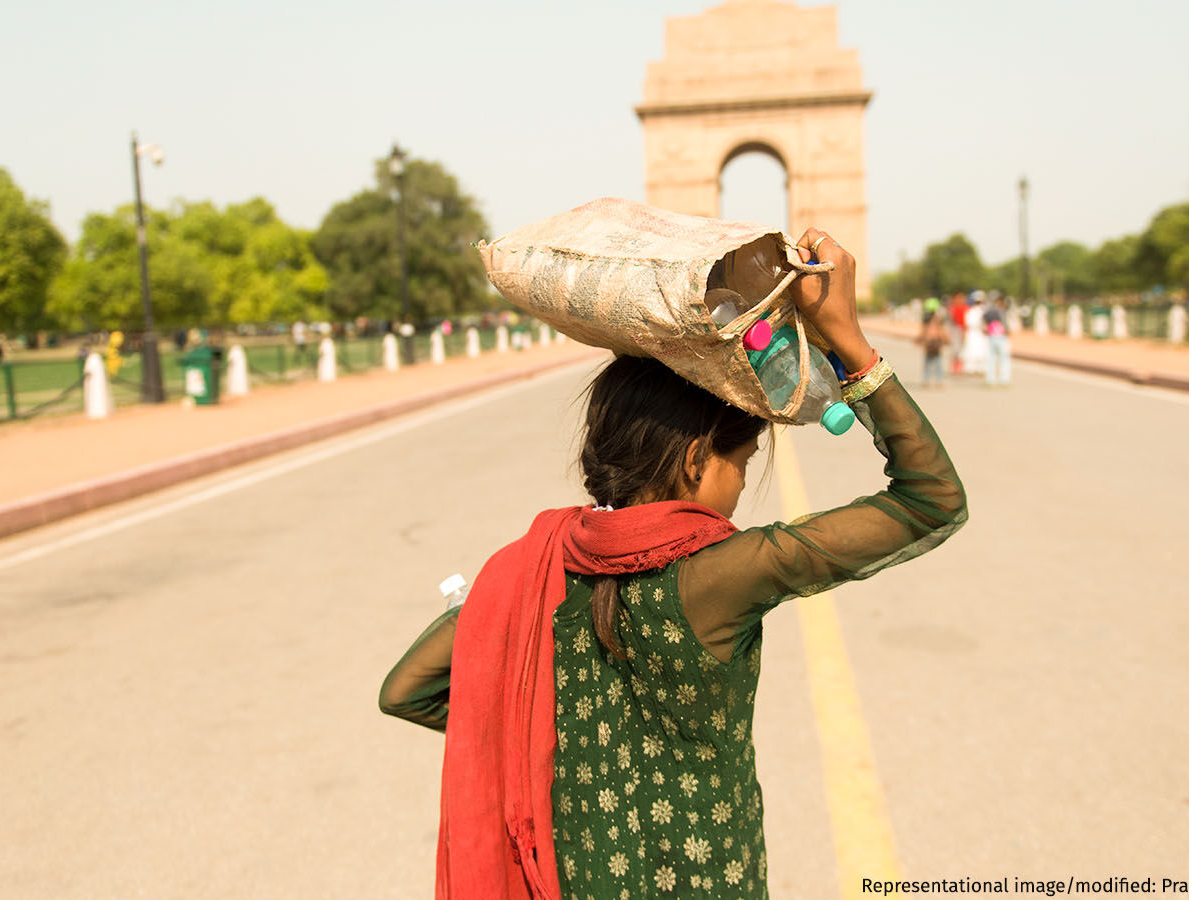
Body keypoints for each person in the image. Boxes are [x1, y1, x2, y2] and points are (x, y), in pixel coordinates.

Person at [378, 228, 967, 900]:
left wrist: (543, 731)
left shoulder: (527, 572)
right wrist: (850, 341)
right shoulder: (728, 570)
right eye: (740, 465)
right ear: (694, 459)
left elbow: (406, 690)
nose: (741, 488)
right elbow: (932, 498)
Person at [918, 297, 947, 388]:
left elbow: (923, 331)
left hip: (929, 342)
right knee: (937, 362)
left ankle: (927, 380)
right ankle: (938, 380)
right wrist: (944, 339)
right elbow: (941, 330)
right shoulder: (938, 319)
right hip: (936, 341)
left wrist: (922, 340)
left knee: (928, 362)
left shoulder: (926, 319)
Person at [983, 298, 1012, 386]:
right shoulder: (1002, 312)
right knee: (1004, 359)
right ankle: (1004, 379)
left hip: (991, 337)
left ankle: (990, 379)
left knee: (991, 358)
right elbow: (1005, 326)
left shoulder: (989, 312)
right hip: (1001, 337)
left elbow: (984, 321)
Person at [961, 291, 989, 375]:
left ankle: (978, 368)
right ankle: (971, 368)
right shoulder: (972, 311)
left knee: (979, 351)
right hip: (974, 333)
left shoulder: (975, 311)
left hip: (979, 334)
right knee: (973, 351)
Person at [947, 292, 968, 374]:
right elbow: (952, 320)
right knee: (955, 350)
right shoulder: (954, 308)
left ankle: (961, 367)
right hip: (956, 329)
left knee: (963, 350)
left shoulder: (965, 308)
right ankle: (955, 367)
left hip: (963, 329)